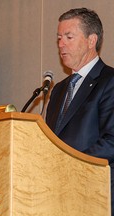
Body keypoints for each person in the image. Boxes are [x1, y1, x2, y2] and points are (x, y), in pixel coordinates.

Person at [46, 7, 114, 213]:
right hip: (58, 195)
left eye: (69, 37)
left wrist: (71, 164)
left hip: (95, 194)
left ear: (91, 41)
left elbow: (112, 141)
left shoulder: (109, 81)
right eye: (59, 38)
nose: (61, 44)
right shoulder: (58, 90)